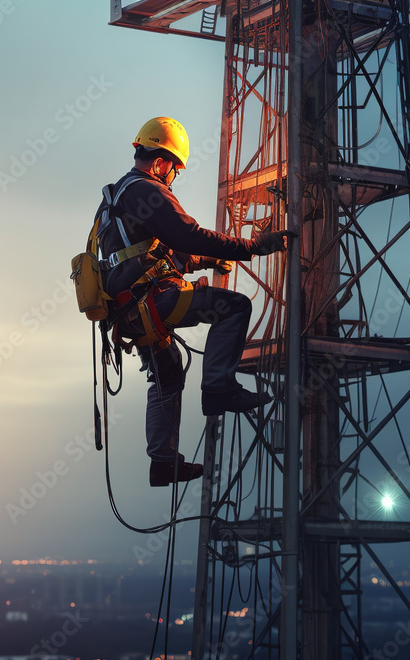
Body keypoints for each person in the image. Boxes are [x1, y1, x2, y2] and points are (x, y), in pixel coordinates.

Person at [97, 117, 291, 487]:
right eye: (174, 169)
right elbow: (188, 235)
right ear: (161, 161)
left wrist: (206, 260)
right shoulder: (146, 190)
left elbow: (157, 252)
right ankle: (219, 387)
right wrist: (252, 247)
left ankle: (163, 462)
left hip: (130, 310)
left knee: (167, 373)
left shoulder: (115, 197)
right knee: (234, 307)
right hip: (153, 301)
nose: (172, 177)